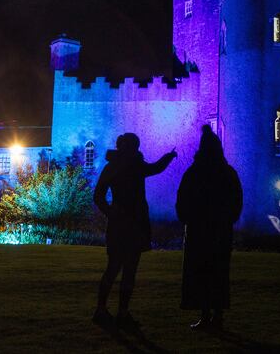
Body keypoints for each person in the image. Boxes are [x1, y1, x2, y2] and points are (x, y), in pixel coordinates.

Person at [92, 133, 177, 330]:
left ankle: (109, 311)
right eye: (134, 146)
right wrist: (169, 157)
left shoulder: (113, 167)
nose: (136, 149)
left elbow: (98, 196)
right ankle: (112, 311)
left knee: (119, 268)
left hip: (124, 223)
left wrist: (110, 211)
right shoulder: (133, 166)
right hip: (130, 223)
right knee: (123, 269)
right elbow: (155, 168)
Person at [176, 125, 243, 331]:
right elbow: (236, 200)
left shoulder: (195, 172)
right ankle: (217, 315)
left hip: (199, 231)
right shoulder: (227, 173)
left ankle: (205, 314)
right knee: (218, 272)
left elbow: (182, 198)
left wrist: (187, 218)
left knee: (201, 272)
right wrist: (228, 219)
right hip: (220, 231)